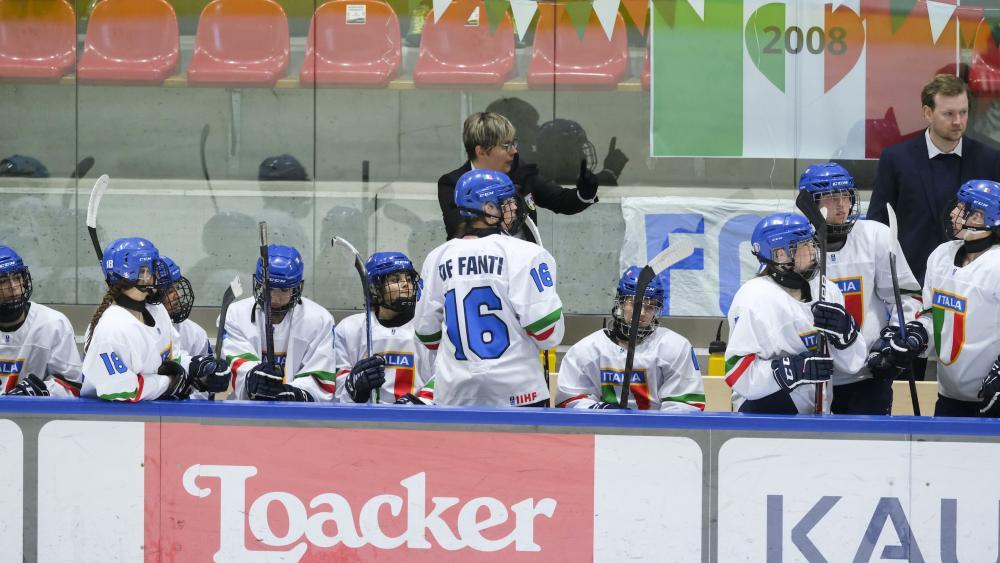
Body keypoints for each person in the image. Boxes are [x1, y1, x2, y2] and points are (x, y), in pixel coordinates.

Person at [415, 169, 565, 407]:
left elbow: (427, 335)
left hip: (455, 394)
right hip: (519, 393)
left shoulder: (437, 258)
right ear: (488, 208)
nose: (514, 208)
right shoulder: (527, 254)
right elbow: (547, 333)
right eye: (506, 203)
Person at [797, 163, 925, 415]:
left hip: (868, 375)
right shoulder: (798, 247)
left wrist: (896, 336)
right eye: (832, 198)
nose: (842, 205)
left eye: (845, 196)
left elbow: (906, 298)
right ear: (809, 203)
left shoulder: (875, 235)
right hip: (812, 379)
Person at [723, 213, 867, 414]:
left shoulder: (826, 289)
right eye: (803, 246)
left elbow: (852, 364)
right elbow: (737, 374)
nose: (812, 251)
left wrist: (846, 336)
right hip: (763, 417)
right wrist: (791, 370)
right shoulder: (753, 298)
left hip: (818, 414)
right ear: (780, 254)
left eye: (811, 243)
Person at [868, 74, 1000, 285]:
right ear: (928, 113)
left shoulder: (990, 160)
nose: (958, 121)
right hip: (912, 284)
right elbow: (877, 227)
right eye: (948, 114)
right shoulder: (896, 160)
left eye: (963, 112)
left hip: (975, 285)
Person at [81, 238, 227, 401]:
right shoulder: (112, 328)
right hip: (112, 422)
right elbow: (120, 391)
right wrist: (169, 382)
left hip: (154, 417)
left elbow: (170, 357)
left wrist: (195, 367)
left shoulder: (157, 311)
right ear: (140, 274)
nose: (158, 273)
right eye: (152, 268)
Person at [556, 266, 704, 411]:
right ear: (621, 303)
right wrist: (604, 412)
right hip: (603, 433)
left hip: (656, 435)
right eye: (636, 304)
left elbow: (686, 407)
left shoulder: (675, 347)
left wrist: (650, 428)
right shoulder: (587, 350)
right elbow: (569, 401)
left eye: (651, 306)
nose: (643, 313)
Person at [437, 111, 599, 241]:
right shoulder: (452, 184)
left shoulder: (521, 171)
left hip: (523, 266)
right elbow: (458, 231)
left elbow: (560, 200)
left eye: (514, 143)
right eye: (506, 146)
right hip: (479, 268)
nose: (514, 151)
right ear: (481, 151)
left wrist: (585, 193)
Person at [917, 180, 1000, 417]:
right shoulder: (941, 255)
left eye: (963, 208)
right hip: (948, 394)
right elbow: (931, 314)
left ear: (981, 217)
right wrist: (916, 335)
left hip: (991, 397)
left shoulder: (996, 265)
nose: (954, 212)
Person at [222, 245, 337, 402]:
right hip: (247, 412)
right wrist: (252, 379)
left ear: (296, 288)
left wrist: (297, 394)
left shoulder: (319, 320)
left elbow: (320, 373)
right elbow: (237, 364)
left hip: (299, 418)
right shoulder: (235, 314)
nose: (275, 298)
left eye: (283, 290)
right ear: (258, 284)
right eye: (269, 289)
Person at [333, 251, 434, 405]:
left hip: (418, 423)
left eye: (408, 279)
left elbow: (443, 376)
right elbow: (338, 389)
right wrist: (354, 387)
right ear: (374, 288)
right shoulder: (349, 329)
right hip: (366, 423)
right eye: (395, 280)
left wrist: (421, 403)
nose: (406, 284)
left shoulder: (428, 328)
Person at [0, 245, 82, 397]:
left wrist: (42, 391)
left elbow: (73, 387)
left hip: (36, 420)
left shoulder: (53, 324)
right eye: (3, 281)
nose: (13, 287)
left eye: (17, 278)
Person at [534, 118, 629, 187]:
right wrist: (609, 173)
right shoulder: (539, 188)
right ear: (558, 153)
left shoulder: (535, 181)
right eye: (577, 149)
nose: (582, 154)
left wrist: (609, 173)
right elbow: (574, 193)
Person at [159, 256, 211, 360]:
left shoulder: (195, 333)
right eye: (170, 291)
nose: (178, 295)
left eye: (178, 288)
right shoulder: (140, 330)